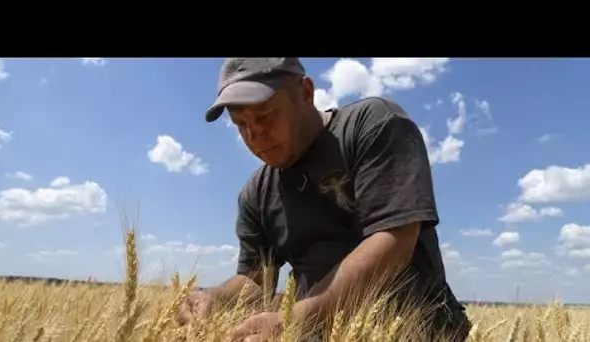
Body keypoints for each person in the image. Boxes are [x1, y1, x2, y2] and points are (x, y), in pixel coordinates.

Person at [178, 58, 471, 341]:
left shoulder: (371, 126)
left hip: (418, 332)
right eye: (240, 123)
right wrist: (213, 299)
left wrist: (295, 319)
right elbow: (256, 280)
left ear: (305, 93)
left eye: (265, 115)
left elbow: (394, 241)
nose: (253, 135)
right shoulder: (257, 193)